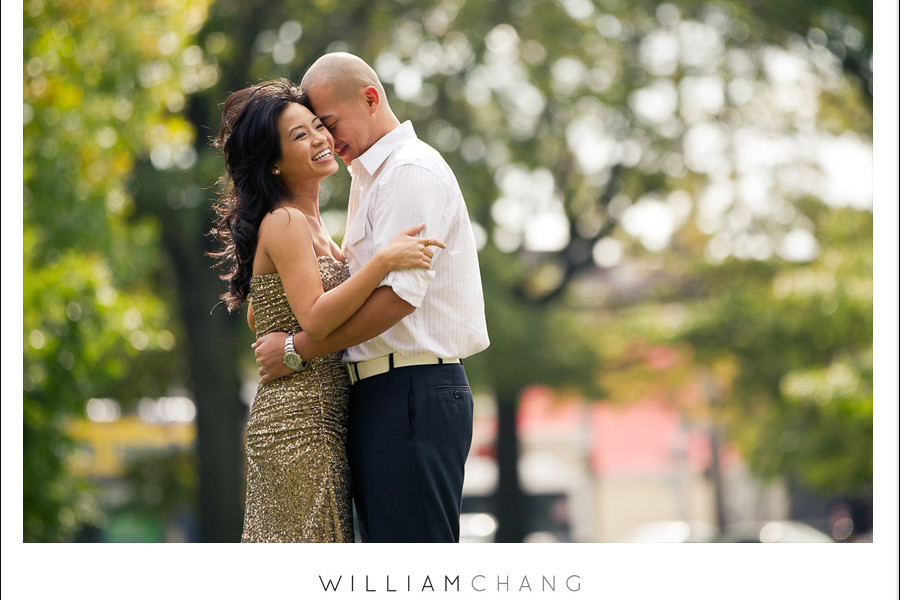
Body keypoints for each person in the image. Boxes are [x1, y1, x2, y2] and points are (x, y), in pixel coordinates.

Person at [253, 53, 490, 542]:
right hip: (379, 393)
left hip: (411, 387)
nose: (326, 138)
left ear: (370, 98)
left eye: (329, 123)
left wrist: (299, 349)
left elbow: (400, 298)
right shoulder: (366, 177)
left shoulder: (408, 171)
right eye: (312, 128)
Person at [210, 78, 443, 542]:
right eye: (300, 135)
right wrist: (383, 260)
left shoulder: (315, 227)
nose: (321, 139)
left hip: (326, 419)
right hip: (298, 426)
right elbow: (316, 316)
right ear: (273, 164)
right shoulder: (288, 221)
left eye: (319, 125)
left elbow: (265, 315)